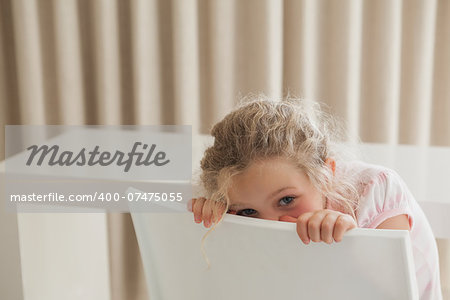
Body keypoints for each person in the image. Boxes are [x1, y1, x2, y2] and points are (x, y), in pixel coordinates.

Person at [188, 96, 442, 300]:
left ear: (327, 174)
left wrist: (349, 244)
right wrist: (218, 225)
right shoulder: (235, 204)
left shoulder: (377, 189)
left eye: (287, 200)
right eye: (248, 212)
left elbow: (392, 293)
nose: (275, 225)